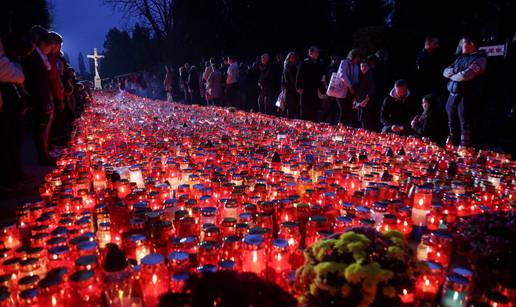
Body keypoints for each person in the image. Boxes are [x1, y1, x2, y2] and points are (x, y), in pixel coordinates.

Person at [443, 35, 487, 147]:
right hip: (453, 93)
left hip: (466, 95)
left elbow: (467, 75)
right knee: (451, 119)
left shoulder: (480, 59)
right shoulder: (460, 58)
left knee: (464, 121)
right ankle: (452, 144)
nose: (462, 45)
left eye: (465, 43)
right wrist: (455, 71)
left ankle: (464, 148)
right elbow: (445, 71)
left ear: (472, 44)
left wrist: (453, 75)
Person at [22, 28, 56, 165]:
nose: (50, 50)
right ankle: (43, 156)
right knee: (40, 128)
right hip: (38, 98)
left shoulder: (39, 57)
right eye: (50, 47)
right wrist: (43, 99)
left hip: (43, 96)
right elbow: (36, 80)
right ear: (43, 44)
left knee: (43, 127)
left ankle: (45, 153)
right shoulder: (33, 57)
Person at [0, 34, 29, 191]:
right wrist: (19, 76)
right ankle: (10, 180)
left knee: (14, 139)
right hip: (6, 102)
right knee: (8, 140)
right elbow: (3, 69)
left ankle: (16, 175)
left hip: (10, 101)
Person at [296, 46, 325, 122]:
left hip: (315, 89)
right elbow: (299, 76)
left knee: (314, 109)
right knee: (305, 109)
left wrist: (322, 88)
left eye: (318, 52)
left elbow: (321, 76)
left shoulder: (319, 63)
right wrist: (298, 87)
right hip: (305, 88)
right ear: (310, 53)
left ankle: (313, 126)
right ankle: (303, 126)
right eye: (316, 52)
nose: (318, 54)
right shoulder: (304, 63)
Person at [415, 35, 447, 100]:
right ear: (428, 43)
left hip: (434, 86)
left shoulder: (434, 54)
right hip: (427, 89)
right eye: (435, 43)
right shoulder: (422, 57)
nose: (437, 45)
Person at [337, 49, 362, 127]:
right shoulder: (344, 62)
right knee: (343, 109)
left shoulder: (356, 66)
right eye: (357, 57)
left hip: (350, 92)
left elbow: (356, 79)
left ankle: (345, 127)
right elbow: (342, 75)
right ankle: (340, 127)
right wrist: (350, 86)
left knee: (348, 110)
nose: (358, 59)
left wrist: (355, 89)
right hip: (342, 90)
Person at [353, 61, 376, 130]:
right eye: (362, 66)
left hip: (366, 101)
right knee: (359, 117)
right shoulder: (360, 76)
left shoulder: (370, 76)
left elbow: (372, 89)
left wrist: (366, 100)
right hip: (359, 100)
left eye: (365, 66)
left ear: (368, 67)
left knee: (364, 119)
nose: (363, 68)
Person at [321, 54, 341, 124]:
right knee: (328, 105)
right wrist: (326, 87)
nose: (336, 60)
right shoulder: (327, 68)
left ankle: (332, 122)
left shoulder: (338, 68)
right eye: (334, 59)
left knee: (334, 106)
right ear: (331, 59)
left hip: (336, 89)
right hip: (328, 89)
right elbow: (323, 79)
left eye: (337, 59)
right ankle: (323, 120)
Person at [282, 51, 299, 119]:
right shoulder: (287, 66)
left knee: (293, 106)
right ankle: (290, 119)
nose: (293, 58)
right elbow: (287, 78)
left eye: (294, 57)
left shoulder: (295, 65)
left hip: (292, 88)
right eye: (291, 57)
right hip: (290, 88)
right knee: (290, 105)